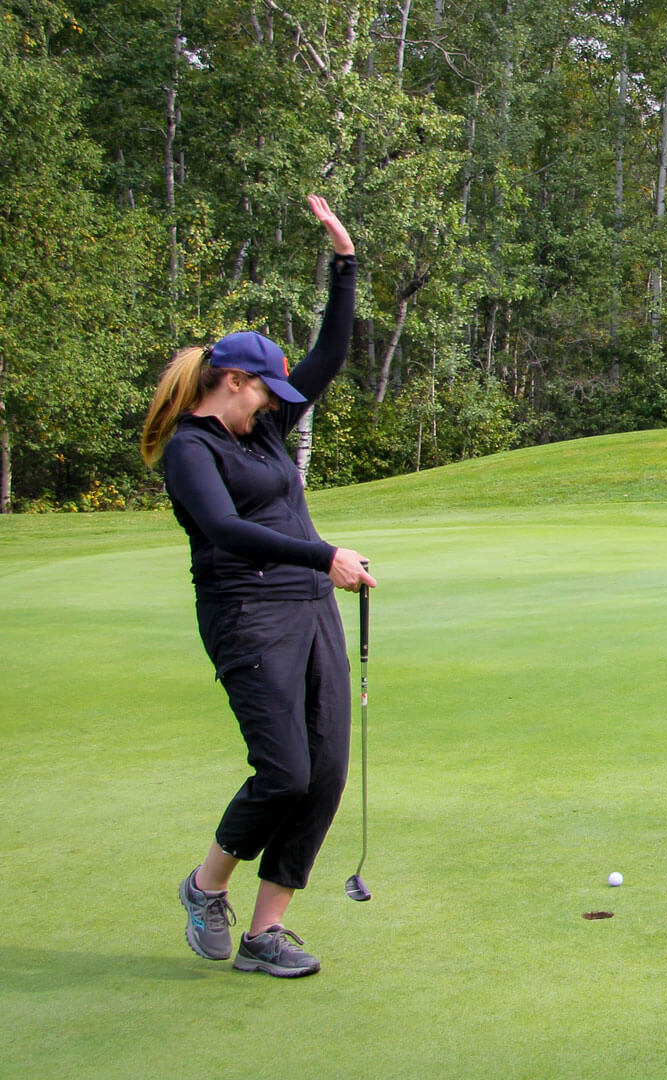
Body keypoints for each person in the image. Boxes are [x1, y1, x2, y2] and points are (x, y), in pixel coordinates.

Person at [139, 194, 374, 979]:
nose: (277, 403)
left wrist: (345, 263)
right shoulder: (191, 449)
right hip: (246, 614)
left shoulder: (261, 425)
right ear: (233, 382)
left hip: (308, 611)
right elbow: (225, 531)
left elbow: (328, 358)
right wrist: (325, 554)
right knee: (284, 771)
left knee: (327, 772)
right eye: (266, 392)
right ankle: (207, 888)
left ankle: (266, 933)